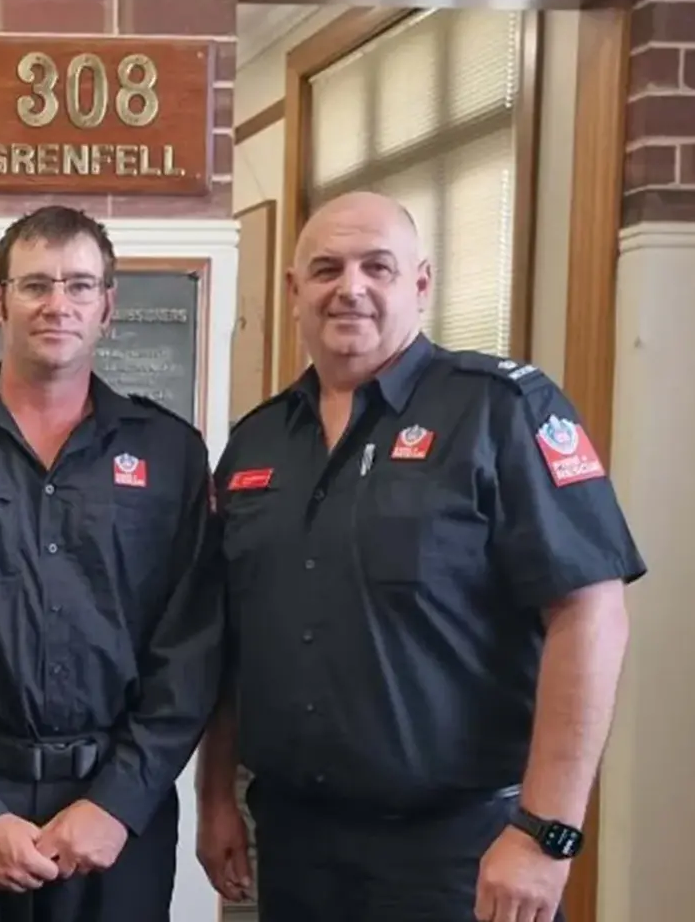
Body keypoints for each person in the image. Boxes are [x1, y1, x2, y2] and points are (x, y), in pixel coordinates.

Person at [195, 190, 647, 922]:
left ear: (421, 283)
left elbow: (590, 614)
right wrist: (214, 796)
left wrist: (543, 833)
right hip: (295, 843)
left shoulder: (500, 410)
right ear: (292, 290)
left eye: (377, 266)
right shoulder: (255, 442)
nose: (351, 287)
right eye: (325, 268)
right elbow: (229, 638)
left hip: (463, 848)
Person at [0, 205, 225, 921]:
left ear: (107, 307)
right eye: (35, 285)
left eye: (79, 285)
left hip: (118, 815)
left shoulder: (170, 454)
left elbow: (193, 648)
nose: (58, 304)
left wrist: (116, 802)